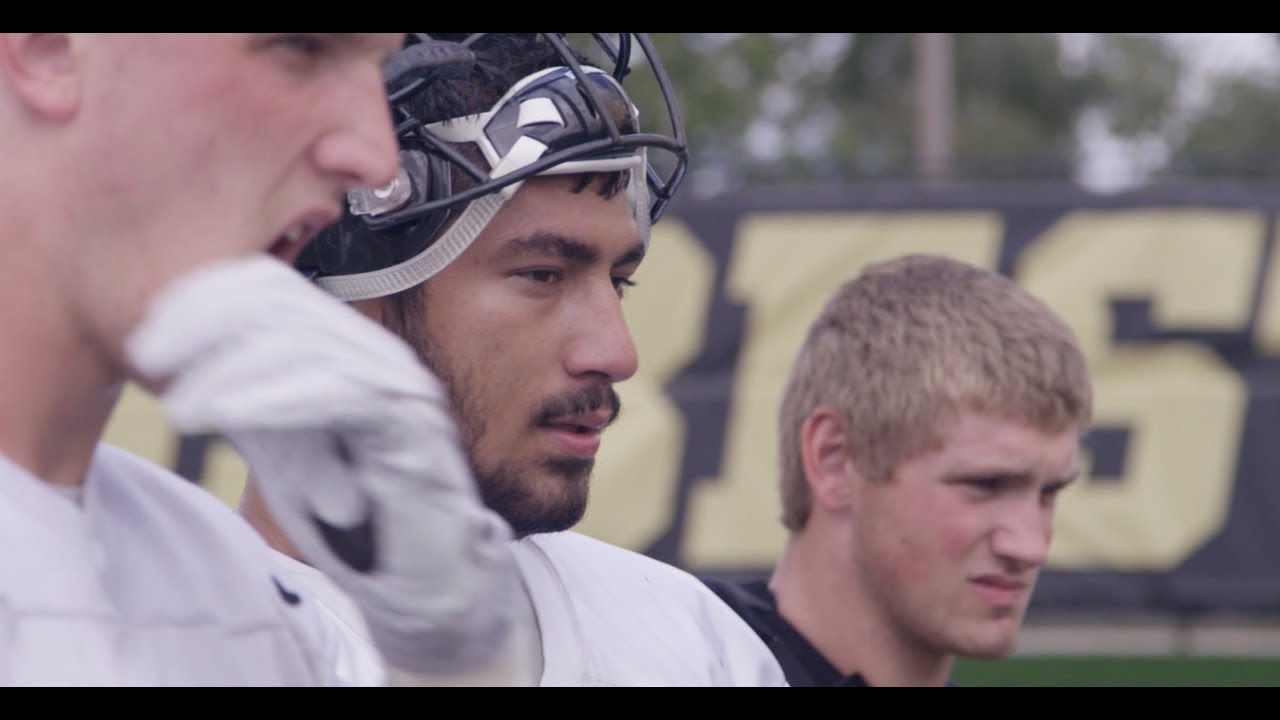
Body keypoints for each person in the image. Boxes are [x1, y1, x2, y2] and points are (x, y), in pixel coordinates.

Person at [239, 32, 789, 687]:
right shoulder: (164, 647)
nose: (618, 354)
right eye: (542, 275)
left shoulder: (695, 644)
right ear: (342, 293)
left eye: (619, 282)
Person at [0, 32, 537, 686]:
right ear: (49, 48)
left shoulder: (222, 576)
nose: (373, 155)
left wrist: (455, 667)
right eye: (301, 49)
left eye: (375, 64)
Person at [704, 253, 1092, 687]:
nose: (1031, 546)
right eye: (986, 484)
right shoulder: (662, 661)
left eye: (1049, 493)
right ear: (833, 459)